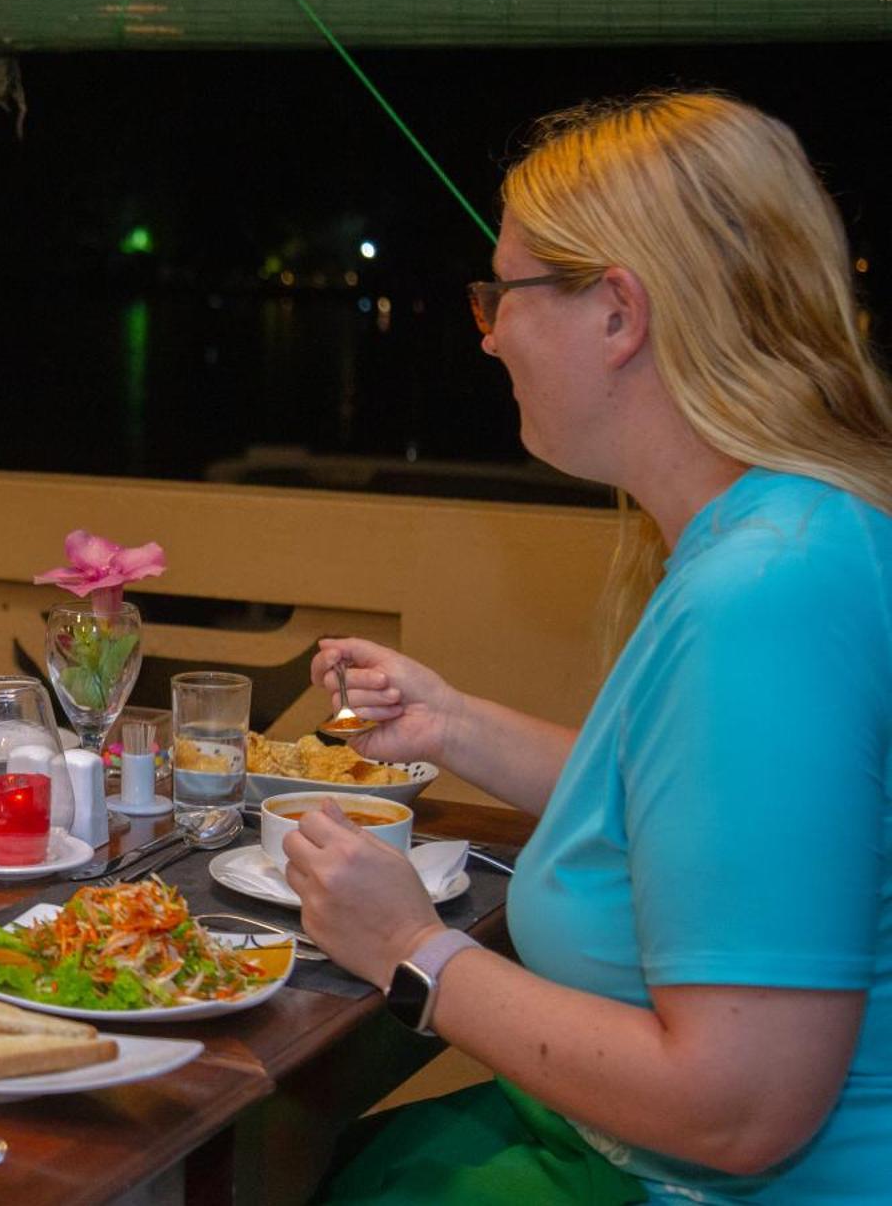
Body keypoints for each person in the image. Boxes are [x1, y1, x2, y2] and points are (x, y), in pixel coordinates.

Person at [283, 93, 891, 1203]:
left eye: (501, 291)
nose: (486, 330)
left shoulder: (763, 591)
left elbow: (741, 1105)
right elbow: (705, 829)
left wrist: (411, 950)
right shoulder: (791, 529)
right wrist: (453, 724)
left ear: (617, 313)